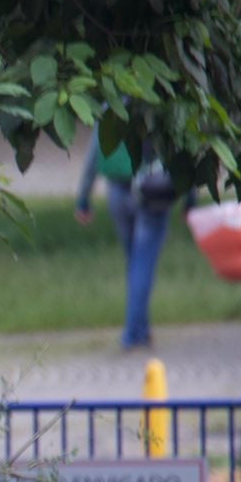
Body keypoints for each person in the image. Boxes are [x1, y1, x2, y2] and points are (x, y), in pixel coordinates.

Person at [76, 136, 181, 351]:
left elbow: (96, 148)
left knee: (134, 261)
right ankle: (133, 333)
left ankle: (140, 329)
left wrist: (84, 198)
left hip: (117, 192)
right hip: (152, 190)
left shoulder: (111, 106)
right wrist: (190, 199)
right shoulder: (158, 105)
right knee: (141, 263)